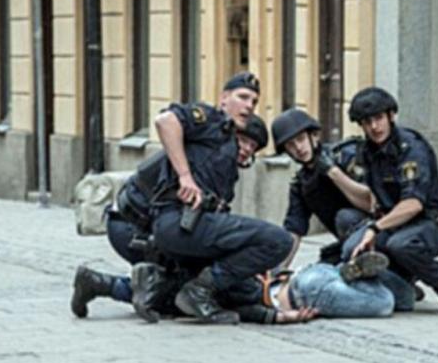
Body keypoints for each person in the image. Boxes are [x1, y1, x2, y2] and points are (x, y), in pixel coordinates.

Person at [69, 86, 280, 322]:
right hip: (133, 228)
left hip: (153, 227)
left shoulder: (223, 171)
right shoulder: (203, 142)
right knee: (186, 288)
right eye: (243, 141)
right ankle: (144, 280)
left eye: (253, 147)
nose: (246, 149)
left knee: (185, 291)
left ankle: (99, 283)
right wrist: (184, 176)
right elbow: (166, 121)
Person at [340, 86, 438, 313]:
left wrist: (375, 229)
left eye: (378, 118)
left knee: (401, 245)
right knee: (351, 249)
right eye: (367, 122)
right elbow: (372, 196)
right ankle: (402, 284)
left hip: (427, 224)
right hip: (392, 223)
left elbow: (413, 204)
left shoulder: (411, 147)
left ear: (391, 116)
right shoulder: (366, 151)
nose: (374, 127)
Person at [270, 108, 371, 266]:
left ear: (314, 136)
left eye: (301, 139)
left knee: (345, 218)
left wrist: (334, 173)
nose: (298, 148)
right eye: (291, 145)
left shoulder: (345, 154)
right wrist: (277, 270)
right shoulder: (302, 183)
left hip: (377, 230)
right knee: (323, 266)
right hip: (350, 241)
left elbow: (372, 203)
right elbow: (295, 230)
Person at [228, 251, 414, 324]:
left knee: (384, 303)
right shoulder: (223, 261)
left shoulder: (213, 288)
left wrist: (283, 317)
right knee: (406, 300)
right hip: (311, 271)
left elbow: (247, 311)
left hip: (306, 295)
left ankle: (358, 273)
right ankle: (354, 271)